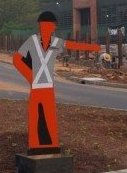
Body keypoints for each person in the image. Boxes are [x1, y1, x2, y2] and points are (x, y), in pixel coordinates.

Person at [12, 11, 101, 155]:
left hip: (48, 88)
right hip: (36, 89)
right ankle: (35, 145)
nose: (53, 28)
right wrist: (30, 77)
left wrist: (95, 48)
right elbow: (16, 59)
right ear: (43, 26)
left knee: (50, 116)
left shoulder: (56, 42)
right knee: (35, 116)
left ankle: (52, 145)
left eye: (54, 25)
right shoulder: (32, 41)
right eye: (51, 25)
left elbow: (72, 45)